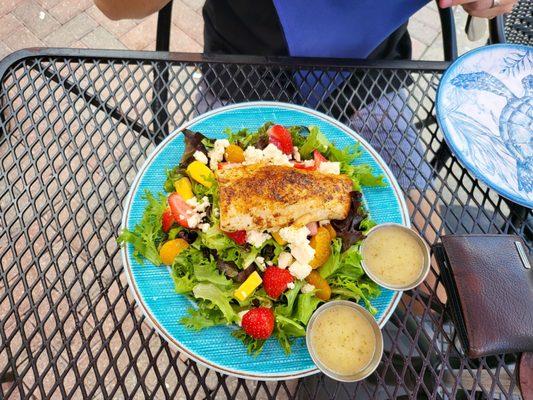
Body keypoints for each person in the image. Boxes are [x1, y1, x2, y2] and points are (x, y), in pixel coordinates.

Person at [96, 0, 515, 307]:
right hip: (242, 72)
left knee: (425, 268)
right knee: (191, 288)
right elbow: (114, 8)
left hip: (371, 75)